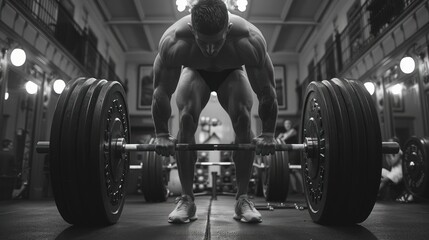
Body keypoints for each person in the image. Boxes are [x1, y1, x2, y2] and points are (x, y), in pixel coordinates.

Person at [151, 0, 278, 224]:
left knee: (243, 117)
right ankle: (187, 199)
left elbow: (267, 92)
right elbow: (161, 91)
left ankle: (242, 199)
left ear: (228, 29)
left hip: (232, 73)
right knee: (187, 117)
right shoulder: (174, 41)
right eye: (203, 42)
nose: (210, 49)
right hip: (194, 71)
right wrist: (161, 134)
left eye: (217, 42)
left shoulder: (249, 39)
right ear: (192, 30)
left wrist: (268, 133)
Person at [379, 137, 414, 203]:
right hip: (393, 171)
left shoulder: (399, 152)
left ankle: (375, 194)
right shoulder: (392, 152)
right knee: (381, 171)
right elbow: (389, 164)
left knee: (384, 180)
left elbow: (393, 163)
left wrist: (388, 154)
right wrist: (387, 154)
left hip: (399, 172)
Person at [277, 120, 303, 194]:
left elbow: (283, 139)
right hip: (288, 153)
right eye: (285, 124)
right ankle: (294, 189)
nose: (287, 125)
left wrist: (280, 137)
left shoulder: (293, 131)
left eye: (288, 123)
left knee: (296, 170)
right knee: (290, 171)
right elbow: (277, 141)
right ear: (284, 125)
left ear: (291, 124)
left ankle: (304, 190)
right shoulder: (284, 133)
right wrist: (279, 137)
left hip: (294, 152)